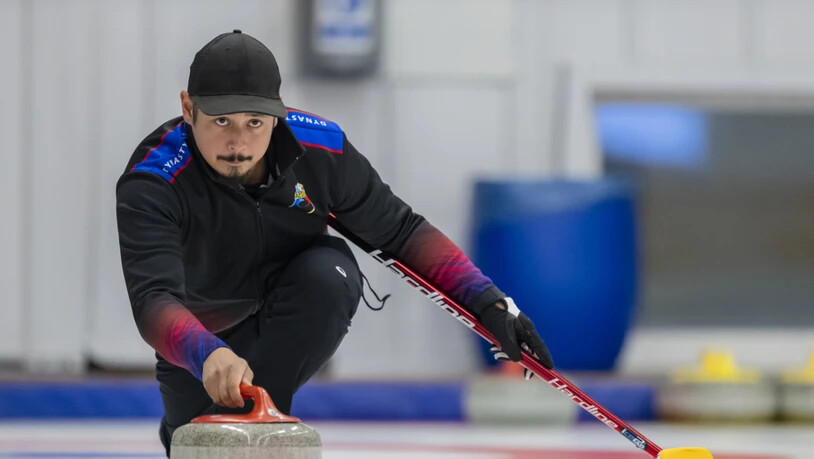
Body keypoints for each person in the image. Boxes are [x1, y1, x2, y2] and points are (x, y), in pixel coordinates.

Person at [116, 30, 553, 456]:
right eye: (221, 121)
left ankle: (260, 423)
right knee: (188, 438)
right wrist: (205, 353)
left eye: (254, 122)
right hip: (202, 336)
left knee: (331, 273)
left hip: (293, 304)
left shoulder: (322, 151)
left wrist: (489, 303)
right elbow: (154, 299)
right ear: (188, 109)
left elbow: (401, 232)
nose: (238, 143)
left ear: (278, 113)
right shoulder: (153, 180)